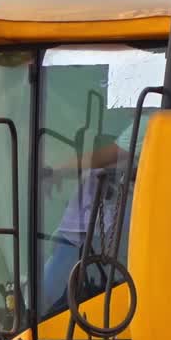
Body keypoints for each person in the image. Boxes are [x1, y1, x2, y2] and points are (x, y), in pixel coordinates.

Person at [40, 116, 150, 316]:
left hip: (140, 212)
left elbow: (111, 155)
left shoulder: (151, 121)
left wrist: (58, 170)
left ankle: (47, 309)